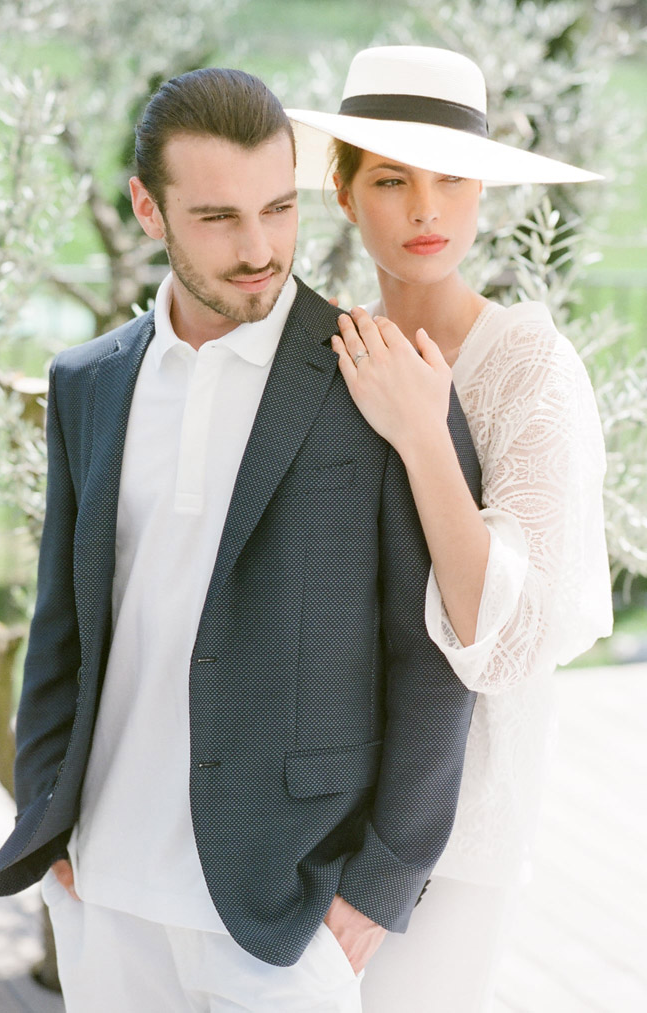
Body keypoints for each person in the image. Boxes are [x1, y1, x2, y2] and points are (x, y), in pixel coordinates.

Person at [0, 67, 483, 1012]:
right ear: (146, 208)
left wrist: (380, 881)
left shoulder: (379, 380)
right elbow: (64, 624)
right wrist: (50, 829)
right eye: (216, 218)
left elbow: (437, 646)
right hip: (107, 886)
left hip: (286, 905)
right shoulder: (89, 382)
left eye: (278, 208)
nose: (259, 249)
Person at [287, 45, 613, 1012]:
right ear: (344, 194)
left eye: (452, 178)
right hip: (318, 806)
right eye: (391, 178)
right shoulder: (332, 354)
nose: (427, 208)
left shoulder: (531, 369)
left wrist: (425, 432)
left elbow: (500, 634)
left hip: (460, 825)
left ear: (484, 192)